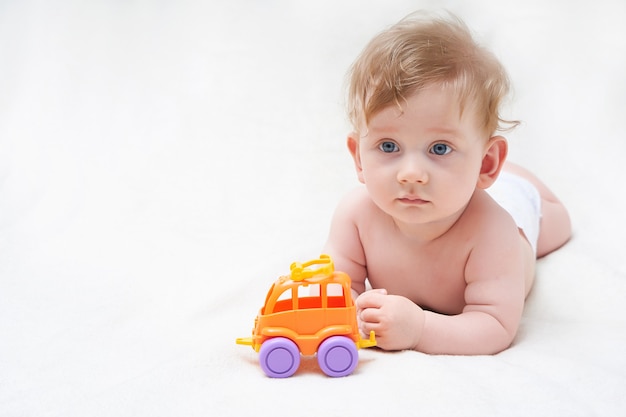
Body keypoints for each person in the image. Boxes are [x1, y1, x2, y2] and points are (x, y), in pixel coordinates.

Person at [322, 11, 571, 354]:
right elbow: (339, 288)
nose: (411, 173)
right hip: (465, 185)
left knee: (557, 224)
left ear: (486, 162)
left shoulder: (493, 232)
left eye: (439, 148)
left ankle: (517, 178)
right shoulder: (355, 216)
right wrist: (350, 314)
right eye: (388, 146)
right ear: (358, 157)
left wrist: (420, 329)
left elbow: (495, 326)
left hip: (519, 211)